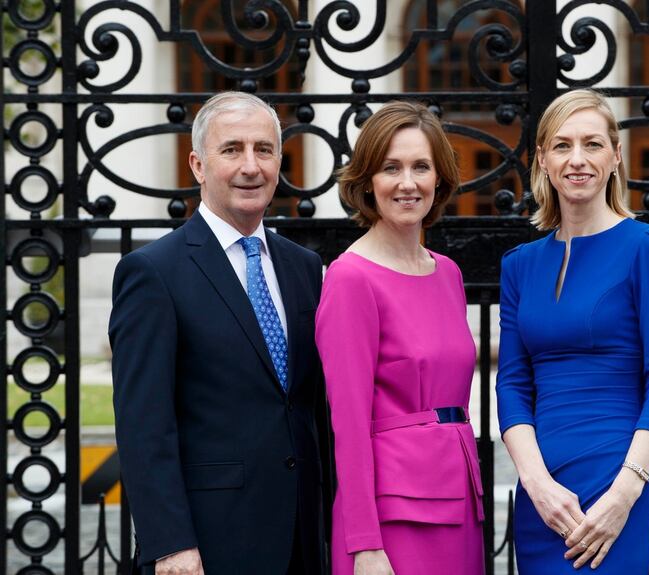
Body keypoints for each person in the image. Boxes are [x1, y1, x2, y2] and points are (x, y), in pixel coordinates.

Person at [109, 92, 328, 574]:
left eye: (264, 149)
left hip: (302, 539)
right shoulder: (152, 272)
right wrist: (169, 545)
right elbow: (144, 428)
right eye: (232, 150)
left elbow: (311, 407)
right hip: (208, 545)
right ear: (198, 165)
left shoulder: (304, 267)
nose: (251, 166)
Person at [496, 89, 649, 573]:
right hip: (542, 494)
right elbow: (512, 383)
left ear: (616, 155)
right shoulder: (519, 265)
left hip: (616, 485)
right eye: (561, 146)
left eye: (592, 144)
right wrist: (535, 482)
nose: (577, 160)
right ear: (542, 159)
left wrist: (625, 492)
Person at [316, 101, 484, 575]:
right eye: (391, 168)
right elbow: (347, 426)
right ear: (368, 180)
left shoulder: (447, 273)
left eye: (420, 167)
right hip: (394, 518)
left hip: (460, 504)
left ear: (440, 179)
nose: (407, 183)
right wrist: (364, 545)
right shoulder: (351, 278)